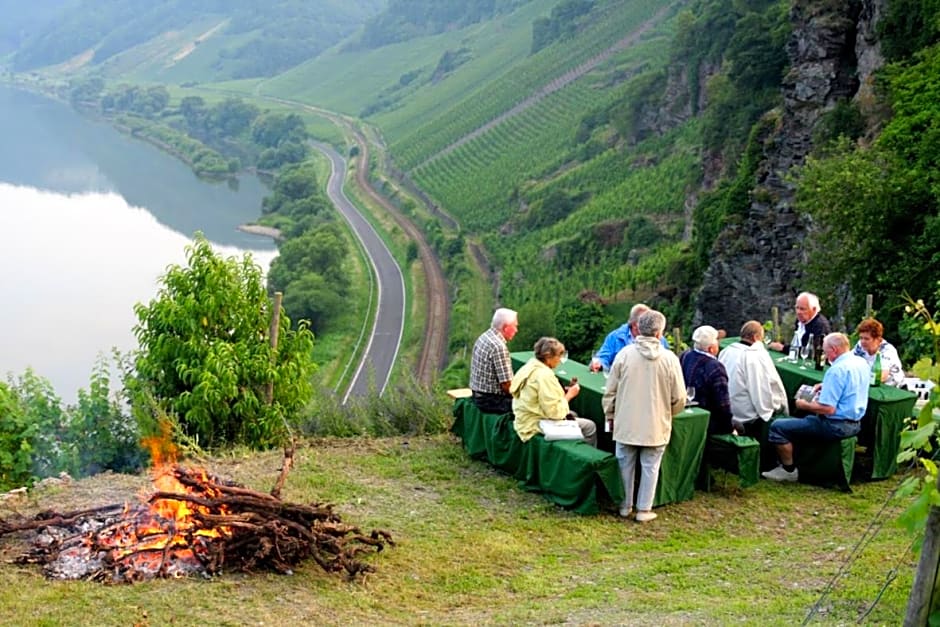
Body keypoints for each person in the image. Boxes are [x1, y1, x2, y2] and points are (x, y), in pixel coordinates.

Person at [602, 310, 685, 522]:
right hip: (656, 422)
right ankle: (644, 509)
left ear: (639, 328)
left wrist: (611, 414)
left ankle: (624, 505)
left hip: (627, 420)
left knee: (624, 463)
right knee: (651, 466)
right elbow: (679, 397)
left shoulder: (624, 355)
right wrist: (668, 413)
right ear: (660, 333)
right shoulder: (670, 359)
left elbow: (610, 390)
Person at [762, 333, 869, 482]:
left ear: (834, 350)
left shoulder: (836, 370)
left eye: (825, 352)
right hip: (856, 423)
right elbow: (851, 386)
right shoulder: (860, 362)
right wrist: (826, 386)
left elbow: (828, 409)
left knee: (778, 426)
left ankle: (788, 470)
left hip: (834, 425)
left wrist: (804, 405)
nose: (824, 355)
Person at [510, 337, 597, 447]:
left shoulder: (530, 366)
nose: (560, 360)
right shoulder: (544, 375)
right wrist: (569, 395)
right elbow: (554, 413)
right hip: (534, 424)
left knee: (572, 414)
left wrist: (561, 391)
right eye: (558, 356)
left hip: (524, 417)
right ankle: (586, 457)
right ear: (548, 357)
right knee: (590, 426)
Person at [719, 320, 789, 434]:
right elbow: (760, 389)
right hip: (744, 414)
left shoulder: (727, 351)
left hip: (726, 407)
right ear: (756, 337)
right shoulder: (754, 356)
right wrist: (776, 406)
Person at [680, 325, 733, 435]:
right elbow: (723, 404)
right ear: (711, 349)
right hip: (709, 421)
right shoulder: (715, 367)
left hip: (686, 414)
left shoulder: (685, 355)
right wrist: (730, 428)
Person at [589, 303, 667, 372]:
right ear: (634, 325)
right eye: (644, 322)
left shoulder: (659, 339)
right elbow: (603, 357)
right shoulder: (616, 337)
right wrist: (599, 364)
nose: (647, 324)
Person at [469, 308, 518, 414]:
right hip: (490, 400)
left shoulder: (484, 336)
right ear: (505, 328)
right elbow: (507, 386)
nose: (516, 330)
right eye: (514, 326)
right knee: (530, 408)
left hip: (477, 394)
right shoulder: (498, 347)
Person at [853, 318, 905, 387]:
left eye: (866, 339)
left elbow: (882, 376)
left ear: (877, 339)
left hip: (893, 389)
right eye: (861, 338)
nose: (863, 341)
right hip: (871, 385)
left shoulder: (887, 350)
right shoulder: (860, 346)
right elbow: (850, 362)